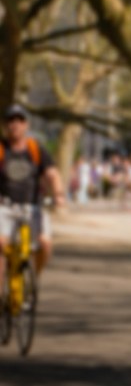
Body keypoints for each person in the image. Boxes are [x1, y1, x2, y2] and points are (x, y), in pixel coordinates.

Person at [1, 105, 63, 274]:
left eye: (20, 120)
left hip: (33, 207)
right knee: (1, 244)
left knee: (45, 243)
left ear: (26, 125)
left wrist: (58, 195)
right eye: (11, 120)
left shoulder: (36, 149)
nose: (15, 124)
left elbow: (52, 174)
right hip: (4, 207)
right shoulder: (1, 149)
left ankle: (34, 277)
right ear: (5, 125)